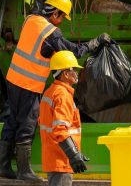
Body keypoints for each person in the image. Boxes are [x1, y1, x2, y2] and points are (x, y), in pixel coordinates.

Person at [0, 0, 110, 181]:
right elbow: (73, 53)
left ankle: (2, 165)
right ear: (55, 13)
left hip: (13, 79)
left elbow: (37, 2)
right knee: (28, 123)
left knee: (12, 120)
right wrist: (96, 42)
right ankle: (24, 170)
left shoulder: (32, 18)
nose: (61, 22)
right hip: (29, 84)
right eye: (62, 17)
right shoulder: (51, 32)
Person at [39, 50, 88, 186]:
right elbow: (60, 129)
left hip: (55, 158)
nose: (76, 73)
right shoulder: (62, 95)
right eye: (74, 70)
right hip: (61, 160)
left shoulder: (51, 92)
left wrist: (75, 152)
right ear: (65, 73)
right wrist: (73, 154)